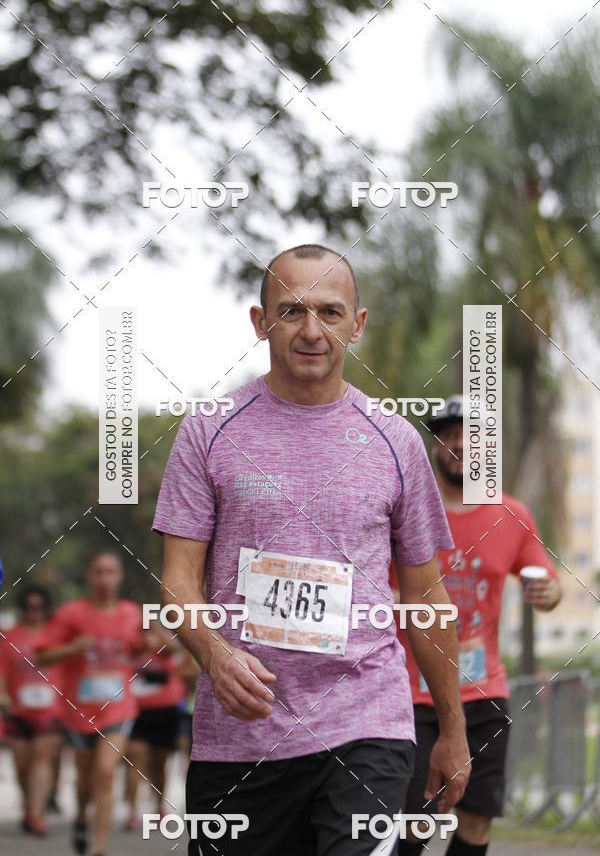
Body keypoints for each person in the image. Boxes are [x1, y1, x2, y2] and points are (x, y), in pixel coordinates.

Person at [153, 244, 471, 855]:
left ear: (358, 323)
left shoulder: (396, 441)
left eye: (329, 312)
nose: (311, 330)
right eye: (291, 310)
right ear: (259, 321)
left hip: (366, 722)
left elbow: (425, 594)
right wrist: (215, 656)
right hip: (241, 738)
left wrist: (453, 731)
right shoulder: (209, 429)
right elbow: (177, 581)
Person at [394, 395, 562, 856]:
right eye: (450, 435)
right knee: (416, 819)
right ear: (435, 447)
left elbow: (546, 582)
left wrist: (550, 593)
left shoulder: (512, 515)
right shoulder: (406, 510)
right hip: (413, 691)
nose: (462, 444)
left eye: (475, 436)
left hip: (486, 691)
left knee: (477, 820)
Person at [36, 551, 142, 856]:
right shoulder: (71, 613)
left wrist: (147, 644)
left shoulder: (131, 613)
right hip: (79, 712)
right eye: (98, 572)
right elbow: (42, 655)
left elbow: (139, 648)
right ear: (89, 576)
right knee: (85, 781)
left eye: (110, 572)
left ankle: (98, 850)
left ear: (119, 576)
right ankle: (81, 817)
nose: (104, 579)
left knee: (106, 773)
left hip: (118, 707)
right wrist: (72, 647)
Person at [0, 585, 64, 836]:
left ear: (46, 609)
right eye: (27, 608)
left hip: (51, 708)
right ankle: (30, 805)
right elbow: (2, 671)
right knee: (22, 764)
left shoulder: (57, 635)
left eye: (37, 608)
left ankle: (36, 815)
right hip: (18, 709)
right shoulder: (9, 637)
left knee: (41, 757)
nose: (32, 612)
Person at [124, 623, 185, 828]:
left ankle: (159, 807)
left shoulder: (163, 639)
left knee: (159, 764)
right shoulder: (132, 640)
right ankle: (132, 812)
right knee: (135, 757)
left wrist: (154, 627)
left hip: (165, 710)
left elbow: (173, 647)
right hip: (136, 711)